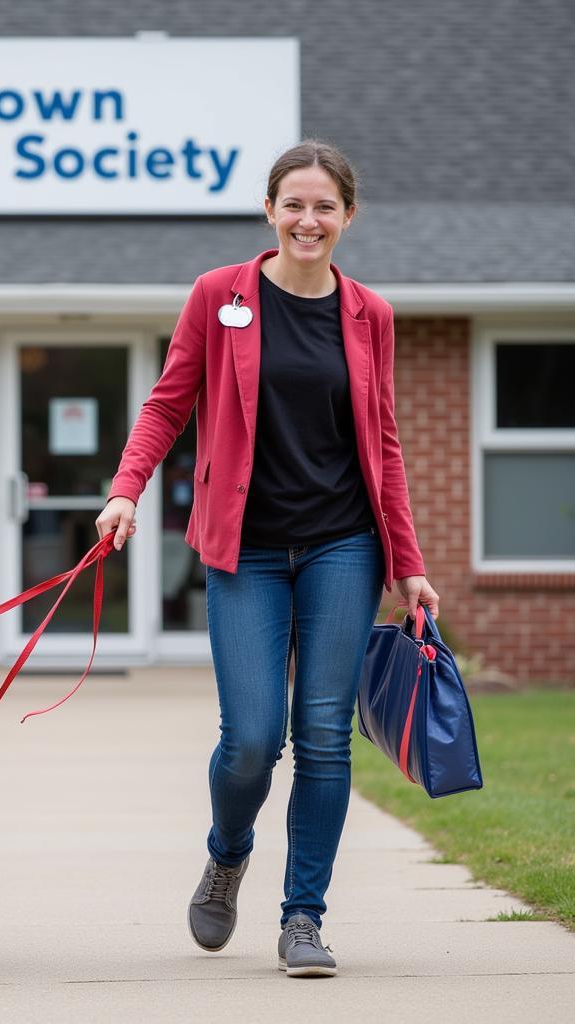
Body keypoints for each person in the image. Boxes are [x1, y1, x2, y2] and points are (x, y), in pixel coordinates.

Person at [95, 140, 439, 978]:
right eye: (294, 204)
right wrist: (125, 490)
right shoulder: (221, 297)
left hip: (344, 546)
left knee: (322, 735)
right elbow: (168, 402)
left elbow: (383, 443)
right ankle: (227, 850)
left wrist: (408, 559)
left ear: (347, 217)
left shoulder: (370, 316)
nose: (308, 220)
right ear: (270, 211)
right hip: (243, 548)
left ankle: (302, 918)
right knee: (251, 740)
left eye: (325, 207)